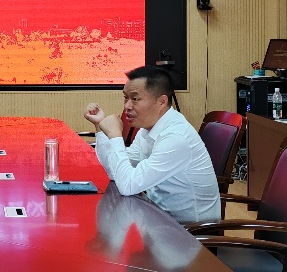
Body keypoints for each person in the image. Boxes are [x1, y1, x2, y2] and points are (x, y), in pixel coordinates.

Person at [84, 65, 220, 224]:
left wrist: (115, 136)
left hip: (188, 232)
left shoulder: (176, 137)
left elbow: (128, 186)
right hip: (156, 218)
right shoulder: (147, 129)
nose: (127, 106)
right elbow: (114, 173)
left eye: (135, 99)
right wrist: (100, 126)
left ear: (161, 101)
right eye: (126, 98)